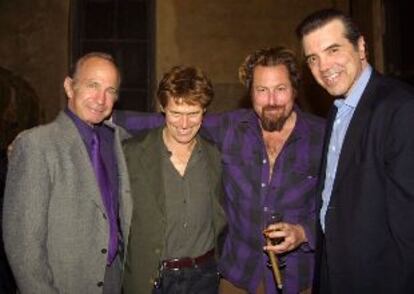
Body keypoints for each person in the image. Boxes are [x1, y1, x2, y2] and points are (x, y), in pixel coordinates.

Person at [114, 47, 325, 294]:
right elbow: (166, 122)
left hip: (297, 279)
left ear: (295, 89)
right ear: (250, 93)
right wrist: (103, 114)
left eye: (280, 89)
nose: (271, 100)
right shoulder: (231, 128)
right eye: (261, 90)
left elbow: (344, 209)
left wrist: (303, 232)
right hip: (236, 277)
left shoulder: (323, 137)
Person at [296, 8, 414, 294]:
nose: (324, 66)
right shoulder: (338, 111)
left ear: (361, 46)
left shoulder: (400, 108)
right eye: (313, 59)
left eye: (333, 49)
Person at [3, 52, 131, 294]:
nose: (101, 99)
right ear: (69, 87)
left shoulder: (120, 142)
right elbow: (23, 248)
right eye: (93, 85)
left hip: (113, 282)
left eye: (110, 90)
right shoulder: (36, 145)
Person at [122, 65, 226, 294]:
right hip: (151, 277)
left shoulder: (215, 156)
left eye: (193, 113)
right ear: (162, 108)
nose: (184, 124)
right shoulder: (131, 153)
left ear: (205, 111)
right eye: (176, 113)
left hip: (204, 277)